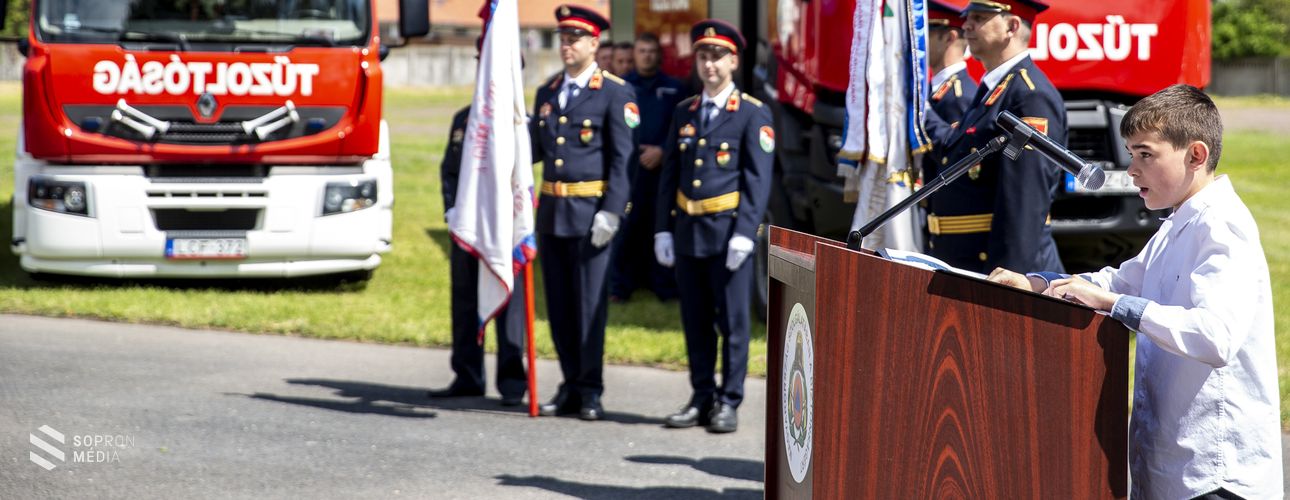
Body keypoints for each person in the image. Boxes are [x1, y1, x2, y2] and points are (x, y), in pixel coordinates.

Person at [988, 84, 1281, 500]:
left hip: (1216, 474)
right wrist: (1038, 283)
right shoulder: (1178, 222)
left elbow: (1215, 337)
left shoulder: (1221, 226)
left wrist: (1117, 306)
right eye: (1131, 154)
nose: (1131, 169)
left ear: (1195, 155)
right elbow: (1119, 281)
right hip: (1172, 468)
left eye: (1145, 154)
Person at [654, 19, 772, 434]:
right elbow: (669, 175)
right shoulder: (685, 112)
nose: (709, 64)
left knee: (733, 324)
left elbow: (757, 182)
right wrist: (662, 229)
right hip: (687, 232)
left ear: (734, 61)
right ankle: (701, 395)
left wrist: (746, 233)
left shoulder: (753, 115)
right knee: (696, 320)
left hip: (727, 235)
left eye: (718, 56)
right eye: (703, 56)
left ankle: (729, 400)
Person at [531, 4, 635, 421]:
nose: (567, 44)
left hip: (591, 213)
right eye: (562, 37)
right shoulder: (548, 92)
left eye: (575, 38)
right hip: (552, 212)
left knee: (590, 306)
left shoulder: (614, 92)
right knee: (559, 307)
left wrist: (611, 213)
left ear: (595, 44)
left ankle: (591, 388)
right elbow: (537, 152)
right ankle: (570, 381)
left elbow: (622, 162)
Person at [922, 0, 1065, 274]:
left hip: (998, 269)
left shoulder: (1029, 96)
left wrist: (1005, 284)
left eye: (979, 18)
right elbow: (952, 148)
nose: (966, 25)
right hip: (966, 263)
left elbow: (1025, 203)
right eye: (967, 18)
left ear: (1011, 26)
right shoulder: (995, 89)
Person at [429, 101, 528, 407]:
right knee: (465, 299)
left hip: (505, 226)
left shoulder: (520, 120)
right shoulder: (465, 117)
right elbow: (450, 169)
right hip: (469, 223)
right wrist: (452, 209)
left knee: (508, 301)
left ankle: (512, 381)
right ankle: (468, 375)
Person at [609, 33, 686, 302]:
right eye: (642, 50)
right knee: (626, 228)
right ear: (635, 53)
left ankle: (664, 287)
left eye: (652, 51)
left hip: (664, 171)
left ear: (660, 55)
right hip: (630, 170)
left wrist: (663, 152)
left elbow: (684, 128)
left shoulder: (676, 89)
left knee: (662, 225)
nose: (647, 56)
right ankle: (620, 287)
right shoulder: (621, 87)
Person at [926, 0, 977, 127]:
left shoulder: (959, 98)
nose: (918, 42)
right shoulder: (936, 89)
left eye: (926, 34)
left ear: (950, 38)